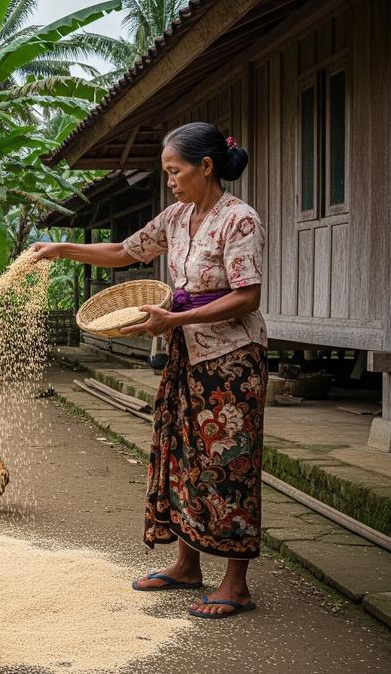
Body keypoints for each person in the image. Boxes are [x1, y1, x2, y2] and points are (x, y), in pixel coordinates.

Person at [31, 121, 267, 619]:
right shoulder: (177, 217)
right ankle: (186, 564)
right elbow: (123, 252)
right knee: (180, 454)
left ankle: (236, 583)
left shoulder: (239, 220)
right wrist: (60, 248)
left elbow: (247, 296)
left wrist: (175, 318)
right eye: (166, 173)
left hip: (231, 361)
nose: (171, 182)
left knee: (228, 464)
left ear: (206, 166)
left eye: (176, 171)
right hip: (187, 355)